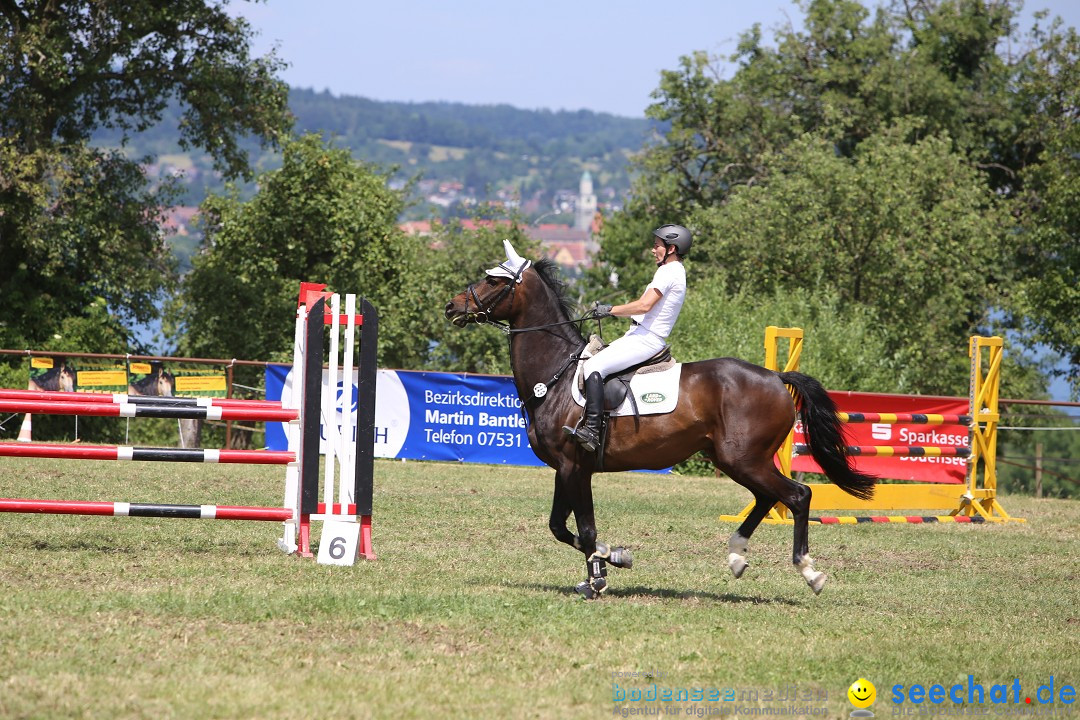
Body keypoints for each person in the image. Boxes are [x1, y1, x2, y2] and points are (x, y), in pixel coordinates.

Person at [563, 224, 691, 452]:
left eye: (657, 246)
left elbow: (644, 306)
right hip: (639, 335)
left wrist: (610, 309)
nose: (653, 250)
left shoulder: (668, 272)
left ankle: (592, 430)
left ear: (671, 248)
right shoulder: (675, 271)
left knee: (594, 366)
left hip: (646, 340)